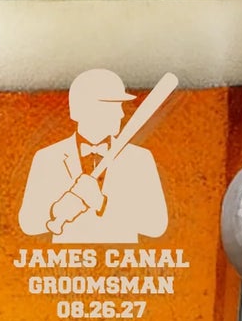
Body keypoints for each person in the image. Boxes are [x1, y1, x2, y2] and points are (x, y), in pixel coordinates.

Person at [18, 70, 167, 244]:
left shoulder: (139, 159)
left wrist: (101, 203)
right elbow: (27, 224)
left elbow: (157, 225)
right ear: (80, 109)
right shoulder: (48, 158)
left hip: (126, 267)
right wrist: (55, 211)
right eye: (111, 106)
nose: (121, 114)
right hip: (63, 267)